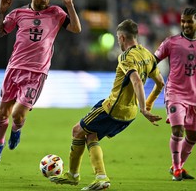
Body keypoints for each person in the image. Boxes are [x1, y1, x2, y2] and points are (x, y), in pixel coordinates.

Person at [49, 19, 165, 190]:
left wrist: (144, 108)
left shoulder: (126, 57)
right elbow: (160, 83)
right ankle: (97, 177)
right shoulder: (148, 56)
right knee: (91, 135)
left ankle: (75, 175)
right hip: (129, 114)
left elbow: (137, 81)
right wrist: (147, 105)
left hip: (112, 108)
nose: (118, 41)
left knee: (77, 130)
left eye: (118, 38)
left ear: (122, 37)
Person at [0, 0, 81, 166]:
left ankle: (16, 131)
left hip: (36, 73)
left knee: (17, 115)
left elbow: (76, 28)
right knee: (2, 114)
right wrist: (1, 11)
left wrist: (70, 5)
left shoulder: (56, 12)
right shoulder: (18, 13)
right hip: (14, 68)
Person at [154, 7, 196, 181]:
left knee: (193, 136)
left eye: (189, 21)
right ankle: (177, 169)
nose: (185, 24)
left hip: (194, 96)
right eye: (183, 21)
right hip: (175, 93)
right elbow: (153, 60)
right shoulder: (171, 42)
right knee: (178, 130)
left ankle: (176, 167)